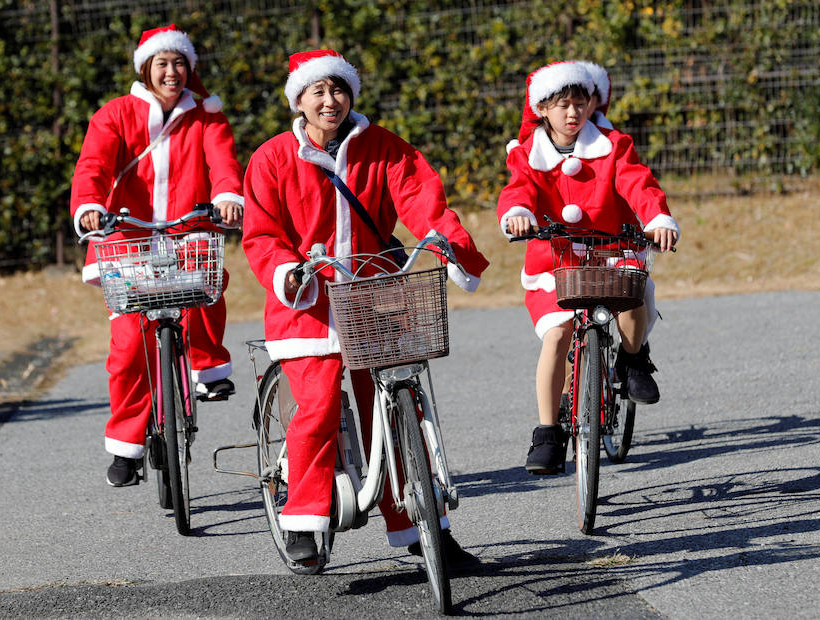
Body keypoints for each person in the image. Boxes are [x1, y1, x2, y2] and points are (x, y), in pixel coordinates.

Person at [242, 49, 489, 569]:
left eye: (338, 89)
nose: (330, 100)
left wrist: (448, 246)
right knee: (317, 407)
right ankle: (303, 521)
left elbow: (423, 200)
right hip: (307, 303)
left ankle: (428, 534)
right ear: (300, 101)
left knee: (401, 414)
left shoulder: (383, 146)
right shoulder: (271, 158)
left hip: (375, 295)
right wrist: (287, 271)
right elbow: (262, 234)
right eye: (319, 92)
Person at [70, 24, 244, 487]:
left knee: (209, 285)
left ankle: (208, 368)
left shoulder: (206, 117)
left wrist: (228, 194)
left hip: (187, 231)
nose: (172, 71)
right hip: (127, 238)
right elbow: (94, 166)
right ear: (145, 68)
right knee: (129, 346)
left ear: (190, 68)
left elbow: (222, 163)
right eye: (162, 63)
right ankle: (126, 447)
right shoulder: (115, 114)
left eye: (180, 62)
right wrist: (90, 208)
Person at [497, 60, 679, 475]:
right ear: (541, 108)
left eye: (580, 103)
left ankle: (632, 360)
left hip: (610, 249)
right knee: (558, 333)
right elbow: (517, 190)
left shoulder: (614, 145)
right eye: (562, 105)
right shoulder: (528, 154)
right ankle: (547, 432)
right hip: (555, 260)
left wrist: (656, 219)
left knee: (635, 296)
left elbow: (639, 183)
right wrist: (518, 213)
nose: (573, 112)